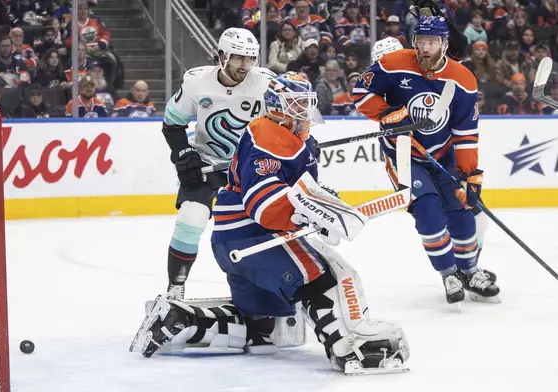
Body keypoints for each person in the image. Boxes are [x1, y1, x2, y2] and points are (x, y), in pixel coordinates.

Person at [131, 72, 410, 375]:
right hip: (256, 239)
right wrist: (311, 213)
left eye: (306, 102)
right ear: (278, 107)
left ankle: (184, 319)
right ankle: (346, 347)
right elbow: (263, 206)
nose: (304, 109)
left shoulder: (285, 137)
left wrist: (312, 199)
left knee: (265, 325)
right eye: (297, 103)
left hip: (232, 244)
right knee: (320, 279)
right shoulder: (268, 135)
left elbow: (292, 191)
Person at [352, 15, 500, 304]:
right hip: (405, 156)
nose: (427, 48)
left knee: (461, 209)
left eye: (433, 42)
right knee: (428, 211)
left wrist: (469, 175)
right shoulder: (392, 63)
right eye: (422, 41)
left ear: (444, 44)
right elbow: (360, 93)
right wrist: (385, 113)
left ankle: (469, 270)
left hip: (445, 154)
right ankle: (449, 274)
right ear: (414, 42)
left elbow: (466, 133)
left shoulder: (463, 79)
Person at [161, 27, 275, 300]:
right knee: (190, 218)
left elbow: (288, 121)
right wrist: (183, 153)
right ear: (221, 56)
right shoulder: (196, 83)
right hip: (207, 166)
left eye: (250, 59)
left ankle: (270, 288)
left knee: (267, 225)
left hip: (252, 167)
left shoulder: (267, 83)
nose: (245, 66)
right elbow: (172, 124)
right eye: (238, 58)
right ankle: (175, 288)